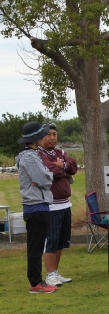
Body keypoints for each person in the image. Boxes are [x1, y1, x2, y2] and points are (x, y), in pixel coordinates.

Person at [15, 121, 57, 294]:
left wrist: (44, 177)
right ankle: (35, 283)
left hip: (39, 205)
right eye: (44, 134)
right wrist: (46, 177)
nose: (46, 137)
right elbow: (45, 179)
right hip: (35, 206)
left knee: (38, 245)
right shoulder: (29, 156)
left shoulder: (32, 154)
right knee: (35, 247)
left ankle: (37, 281)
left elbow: (43, 177)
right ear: (36, 137)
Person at [37, 122, 78, 287]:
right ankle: (49, 274)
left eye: (54, 134)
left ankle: (55, 272)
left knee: (61, 241)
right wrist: (63, 169)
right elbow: (49, 171)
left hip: (64, 204)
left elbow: (74, 167)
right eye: (48, 134)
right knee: (51, 240)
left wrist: (64, 166)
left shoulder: (60, 151)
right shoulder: (39, 153)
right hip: (50, 205)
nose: (52, 137)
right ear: (40, 136)